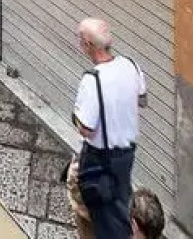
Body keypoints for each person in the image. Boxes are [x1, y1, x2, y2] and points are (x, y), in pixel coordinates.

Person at [66, 18, 147, 239]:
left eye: (80, 39)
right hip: (126, 156)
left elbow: (87, 129)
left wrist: (75, 117)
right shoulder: (131, 65)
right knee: (121, 208)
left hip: (100, 161)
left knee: (103, 218)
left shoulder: (92, 80)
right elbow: (142, 100)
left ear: (87, 44)